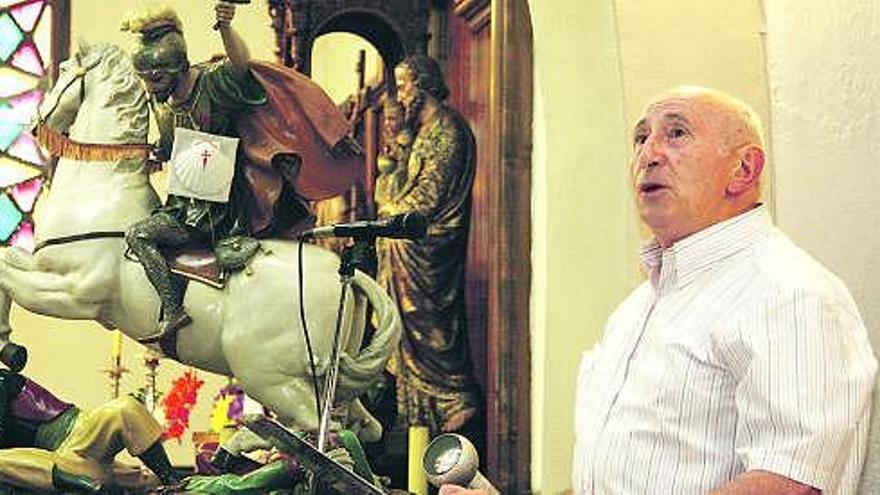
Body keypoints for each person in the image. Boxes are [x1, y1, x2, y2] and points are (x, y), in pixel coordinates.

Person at [441, 87, 878, 494]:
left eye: (677, 133)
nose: (648, 154)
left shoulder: (792, 293)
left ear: (744, 169)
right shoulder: (637, 309)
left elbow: (790, 484)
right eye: (640, 138)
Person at [122, 2, 361, 344]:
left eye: (156, 78)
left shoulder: (213, 84)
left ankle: (173, 309)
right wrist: (158, 153)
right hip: (182, 202)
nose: (150, 87)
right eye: (145, 79)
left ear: (177, 65)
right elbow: (172, 143)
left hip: (216, 209)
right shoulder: (164, 104)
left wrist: (227, 28)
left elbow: (241, 67)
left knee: (138, 235)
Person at [376, 55, 482, 435]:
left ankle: (455, 396)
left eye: (405, 86)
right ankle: (416, 416)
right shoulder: (422, 131)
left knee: (428, 323)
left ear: (422, 85)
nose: (401, 96)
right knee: (403, 331)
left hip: (429, 250)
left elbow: (428, 197)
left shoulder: (448, 130)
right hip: (411, 244)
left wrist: (391, 212)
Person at [0, 367, 180, 493]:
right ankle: (78, 482)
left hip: (82, 434)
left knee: (125, 407)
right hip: (61, 460)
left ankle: (172, 480)